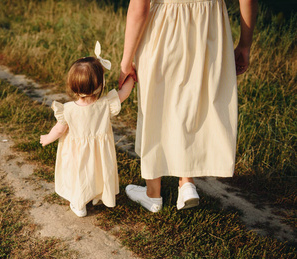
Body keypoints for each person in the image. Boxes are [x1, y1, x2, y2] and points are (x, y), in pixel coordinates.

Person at [118, 0, 258, 212]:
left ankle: (152, 194)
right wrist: (245, 44)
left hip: (165, 27)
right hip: (210, 27)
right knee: (193, 101)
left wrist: (126, 62)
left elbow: (140, 7)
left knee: (156, 104)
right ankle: (186, 183)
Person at [40, 42, 135, 217]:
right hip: (99, 152)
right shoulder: (105, 104)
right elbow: (124, 93)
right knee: (97, 173)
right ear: (100, 84)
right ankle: (95, 194)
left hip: (76, 155)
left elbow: (59, 130)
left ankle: (79, 203)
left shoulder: (67, 109)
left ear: (72, 85)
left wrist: (47, 138)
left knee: (79, 176)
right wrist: (131, 76)